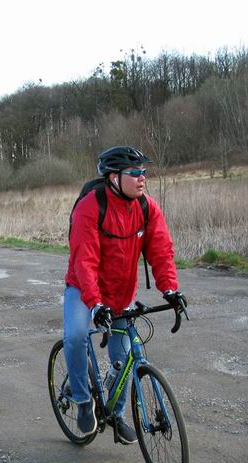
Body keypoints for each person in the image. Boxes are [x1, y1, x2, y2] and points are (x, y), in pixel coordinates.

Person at [64, 146, 187, 443]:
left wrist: (170, 288)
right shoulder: (91, 206)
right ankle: (82, 400)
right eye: (134, 173)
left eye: (144, 172)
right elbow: (84, 261)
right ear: (113, 177)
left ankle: (116, 414)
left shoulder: (147, 208)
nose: (142, 178)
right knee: (76, 336)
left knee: (127, 356)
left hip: (121, 293)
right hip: (83, 289)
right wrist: (94, 304)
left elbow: (161, 250)